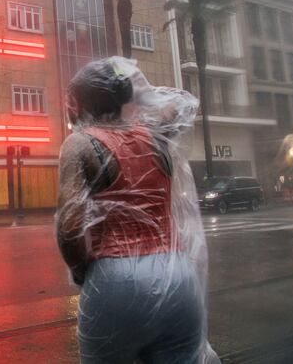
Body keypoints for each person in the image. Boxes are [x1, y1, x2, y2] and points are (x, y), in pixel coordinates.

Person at [55, 58, 219, 364]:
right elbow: (180, 107)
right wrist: (135, 90)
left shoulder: (80, 144)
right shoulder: (156, 138)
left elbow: (70, 227)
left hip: (115, 279)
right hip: (178, 275)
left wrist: (80, 271)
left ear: (80, 102)